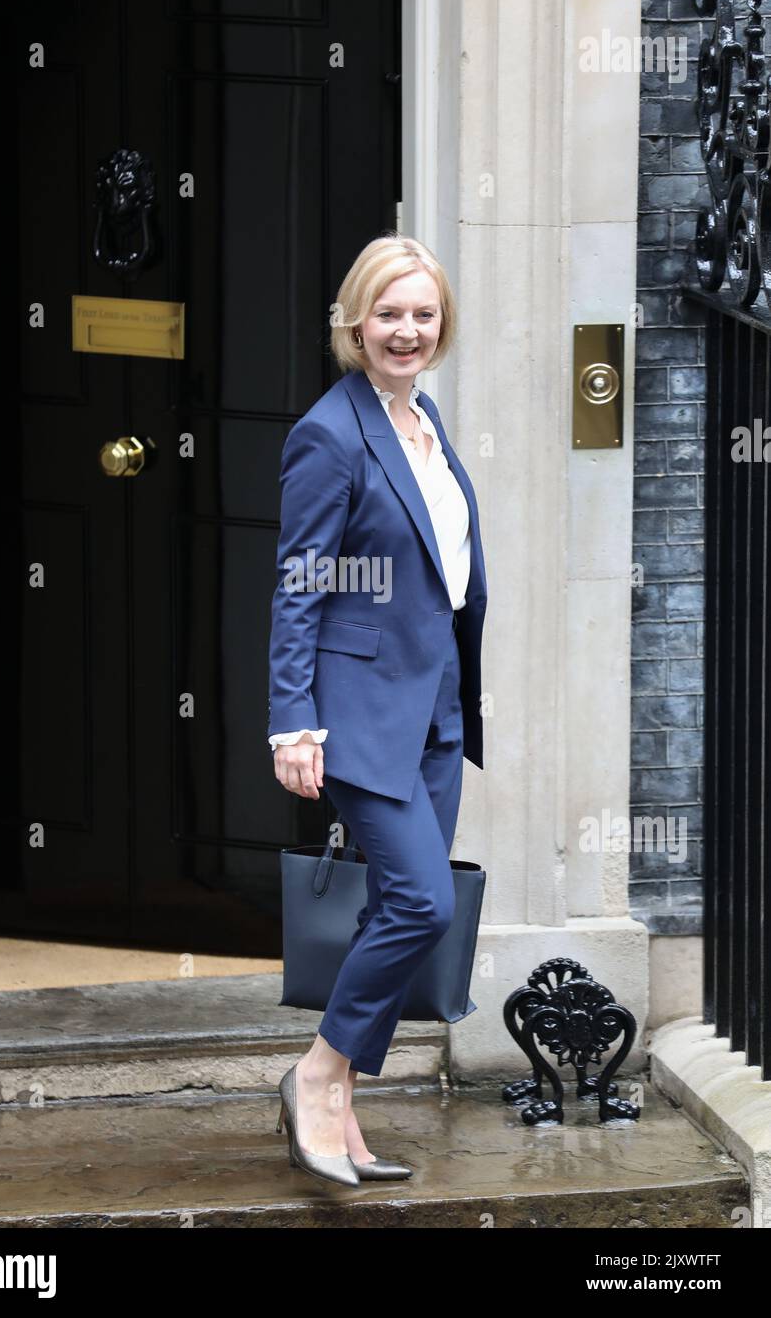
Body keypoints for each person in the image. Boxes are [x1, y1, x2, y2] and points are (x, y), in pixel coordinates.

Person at [268, 233, 488, 1185]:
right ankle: (315, 1077)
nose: (405, 330)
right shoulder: (331, 432)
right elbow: (300, 586)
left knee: (402, 914)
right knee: (421, 901)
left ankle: (343, 1104)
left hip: (434, 713)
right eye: (388, 313)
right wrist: (293, 719)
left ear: (442, 327)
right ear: (355, 323)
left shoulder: (421, 418)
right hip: (360, 715)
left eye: (423, 315)